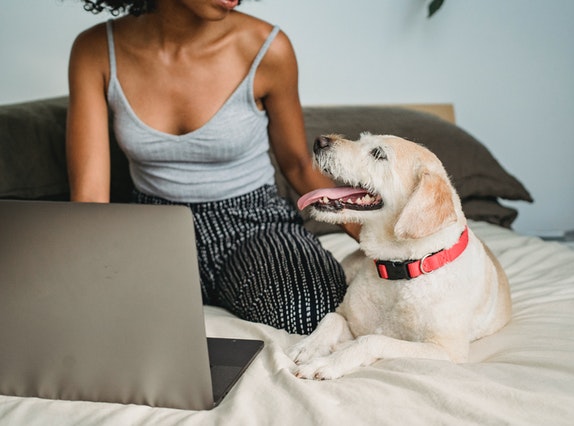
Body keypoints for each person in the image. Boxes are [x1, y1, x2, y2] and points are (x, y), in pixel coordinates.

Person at [66, 0, 359, 335]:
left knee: (315, 313)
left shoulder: (267, 48)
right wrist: (90, 276)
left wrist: (366, 228)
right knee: (112, 325)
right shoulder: (96, 50)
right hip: (152, 230)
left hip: (254, 223)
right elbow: (90, 195)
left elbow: (297, 165)